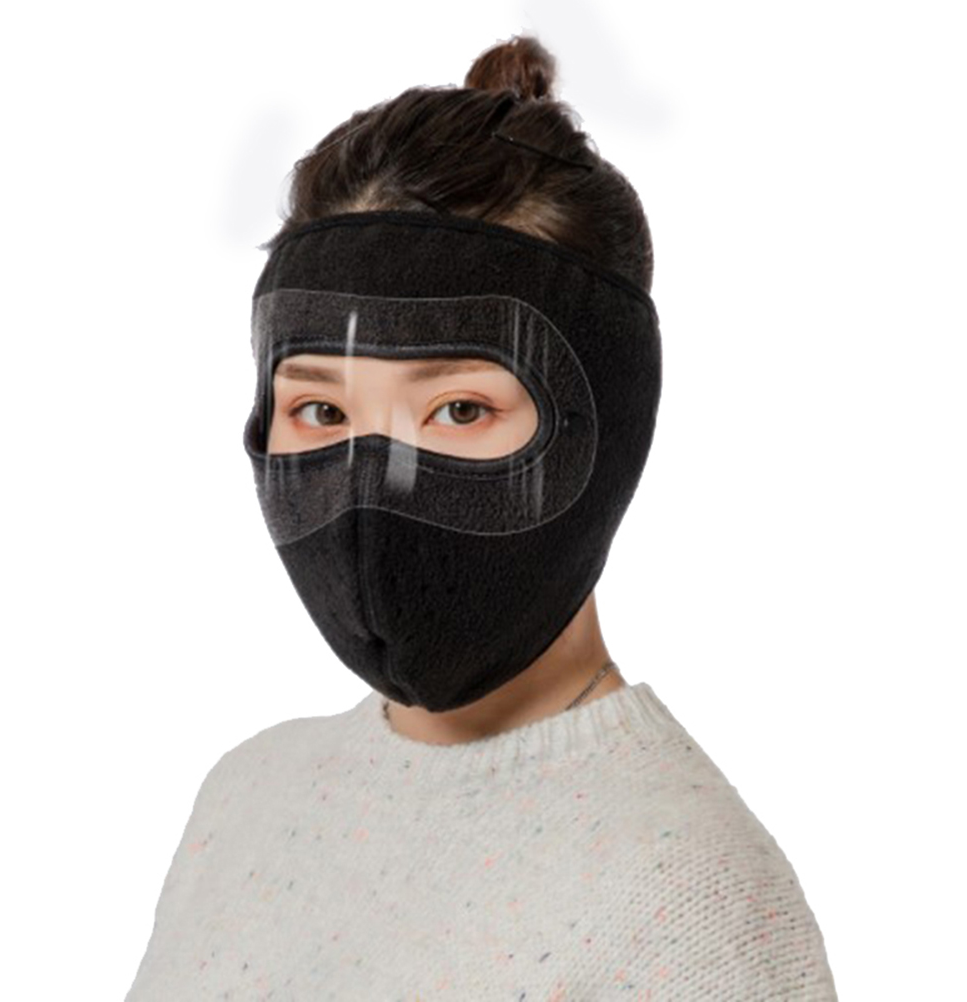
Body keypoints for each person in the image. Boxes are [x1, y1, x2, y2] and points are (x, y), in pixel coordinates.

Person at [125, 35, 838, 1000]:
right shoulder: (243, 798)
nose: (373, 489)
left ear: (607, 429)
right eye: (322, 412)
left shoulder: (695, 905)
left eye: (460, 410)